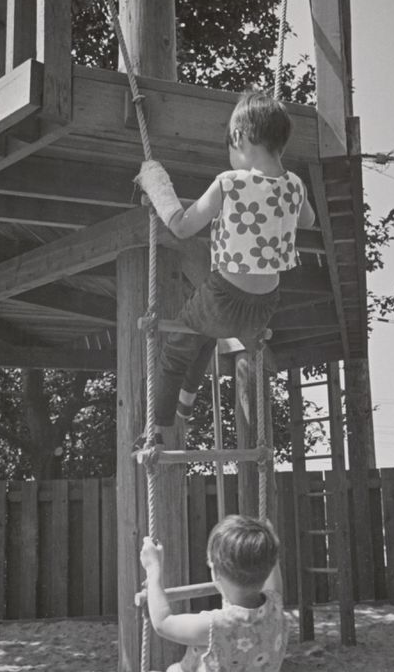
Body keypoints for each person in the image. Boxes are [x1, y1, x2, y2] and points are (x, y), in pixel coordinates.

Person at [135, 89, 315, 438]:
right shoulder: (295, 185)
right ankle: (186, 400)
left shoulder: (229, 184)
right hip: (264, 308)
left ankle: (156, 428)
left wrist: (157, 188)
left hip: (223, 298)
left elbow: (182, 227)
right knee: (203, 337)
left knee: (175, 353)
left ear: (238, 137)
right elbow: (306, 221)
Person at [136, 514, 288, 672]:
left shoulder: (215, 626)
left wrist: (154, 571)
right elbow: (274, 579)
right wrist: (269, 540)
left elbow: (162, 622)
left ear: (215, 572)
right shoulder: (275, 609)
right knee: (174, 671)